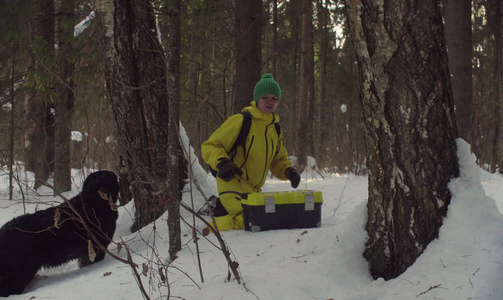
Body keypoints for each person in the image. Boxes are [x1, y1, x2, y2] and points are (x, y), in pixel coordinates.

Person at [201, 74, 301, 232]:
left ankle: (217, 208)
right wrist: (223, 162)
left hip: (253, 190)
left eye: (274, 98)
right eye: (265, 97)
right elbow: (211, 145)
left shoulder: (274, 129)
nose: (270, 102)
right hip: (232, 181)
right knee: (250, 219)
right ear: (257, 99)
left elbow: (278, 159)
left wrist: (288, 171)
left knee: (265, 216)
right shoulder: (242, 120)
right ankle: (211, 227)